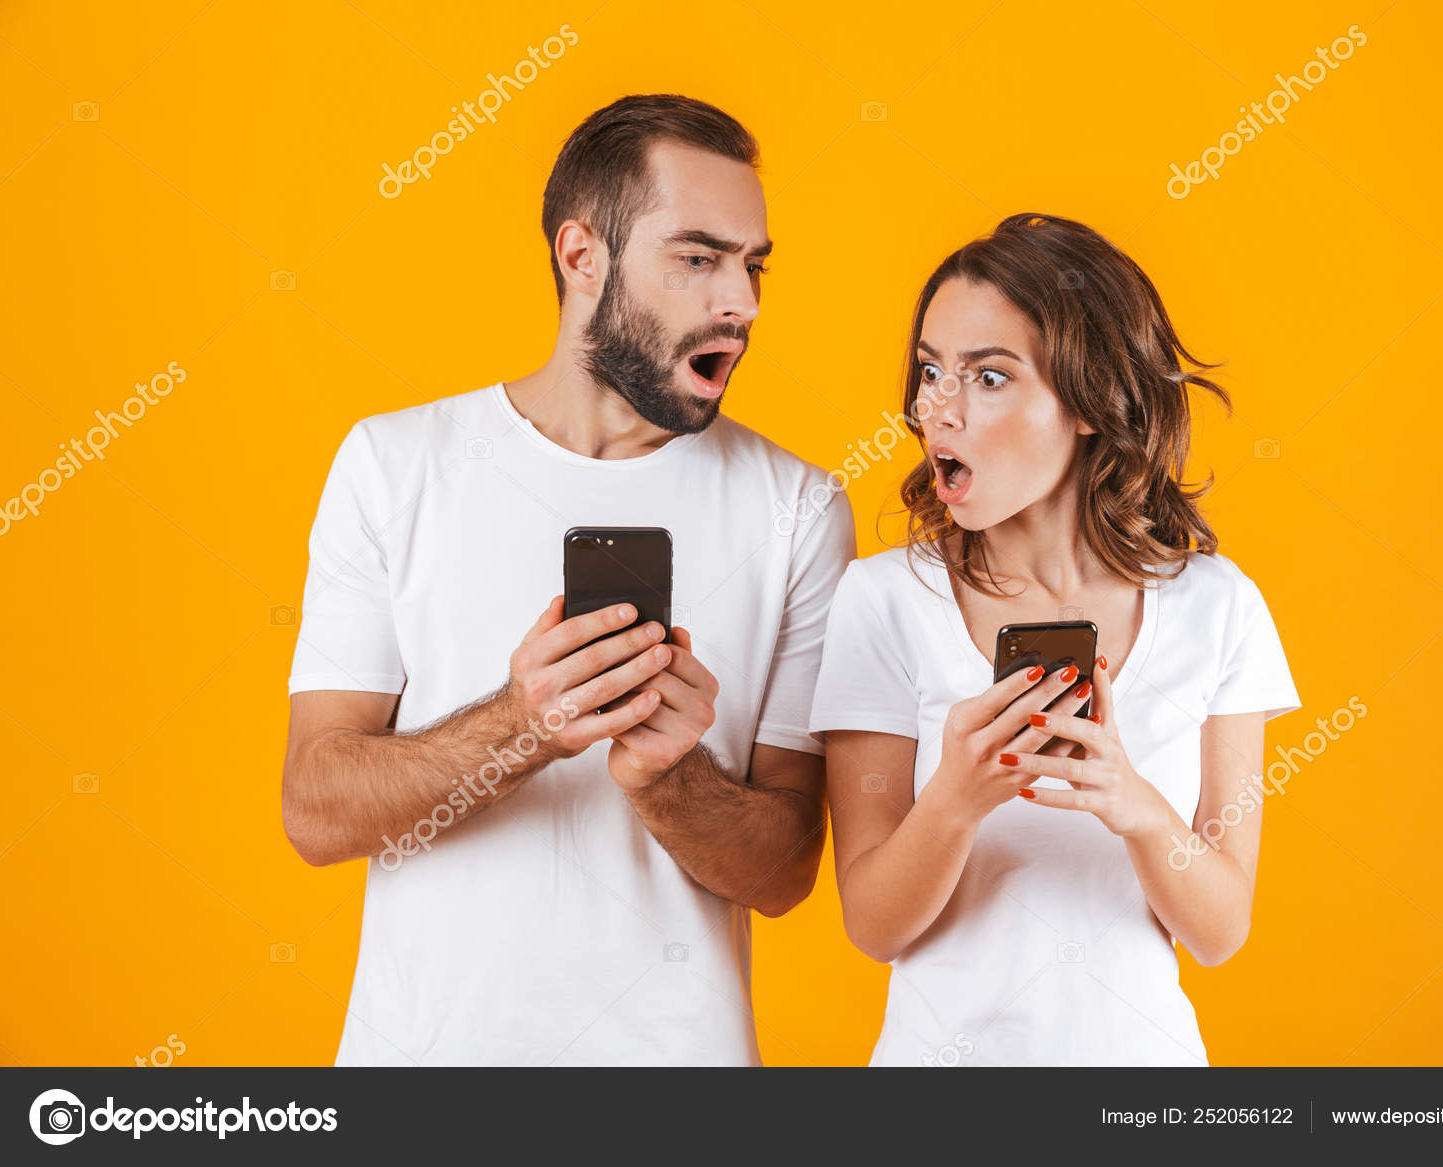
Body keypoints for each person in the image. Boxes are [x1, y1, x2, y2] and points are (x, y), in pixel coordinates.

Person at [282, 95, 854, 1066]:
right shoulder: (395, 464)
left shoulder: (798, 509)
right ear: (582, 256)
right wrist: (521, 724)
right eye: (698, 258)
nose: (743, 304)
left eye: (753, 266)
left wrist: (671, 778)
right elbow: (316, 807)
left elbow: (786, 869)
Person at [808, 213, 1301, 1066]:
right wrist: (957, 795)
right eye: (931, 371)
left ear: (1088, 399)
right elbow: (873, 923)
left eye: (989, 377)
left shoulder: (1217, 607)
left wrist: (1133, 802)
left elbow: (1220, 930)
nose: (939, 408)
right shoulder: (886, 600)